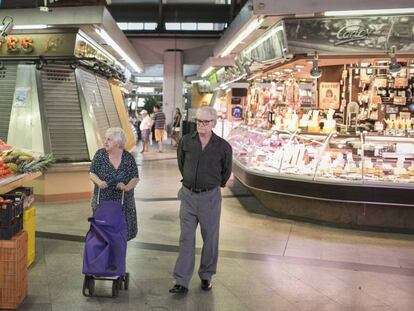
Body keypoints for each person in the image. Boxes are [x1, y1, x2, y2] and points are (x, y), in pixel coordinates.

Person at [169, 106, 233, 294]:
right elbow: (182, 164)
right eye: (198, 121)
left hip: (210, 197)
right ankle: (181, 280)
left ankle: (206, 275)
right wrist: (190, 181)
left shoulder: (223, 146)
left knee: (210, 238)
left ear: (214, 123)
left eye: (206, 122)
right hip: (188, 195)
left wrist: (210, 185)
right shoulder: (186, 141)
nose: (201, 125)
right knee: (186, 238)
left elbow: (226, 172)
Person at [89, 127, 140, 241]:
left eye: (109, 139)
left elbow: (135, 178)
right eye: (105, 139)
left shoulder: (128, 158)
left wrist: (127, 187)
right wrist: (99, 182)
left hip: (123, 205)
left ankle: (118, 258)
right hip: (103, 204)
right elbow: (92, 173)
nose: (105, 142)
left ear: (118, 143)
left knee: (121, 238)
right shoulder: (100, 155)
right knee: (102, 238)